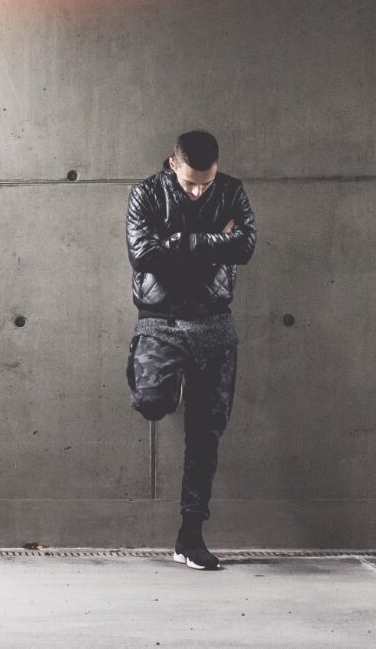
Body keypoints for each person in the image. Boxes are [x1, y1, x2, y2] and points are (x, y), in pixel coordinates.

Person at [124, 130, 257, 570]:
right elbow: (143, 255)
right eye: (189, 183)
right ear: (172, 164)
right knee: (151, 402)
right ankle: (169, 382)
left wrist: (178, 242)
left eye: (207, 183)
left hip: (215, 323)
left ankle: (190, 536)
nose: (199, 192)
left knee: (206, 433)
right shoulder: (145, 194)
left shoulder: (232, 191)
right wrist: (214, 241)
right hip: (160, 321)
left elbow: (245, 247)